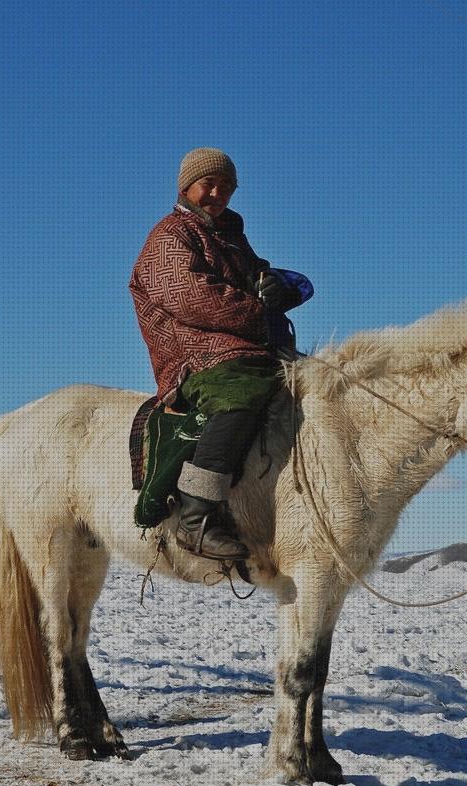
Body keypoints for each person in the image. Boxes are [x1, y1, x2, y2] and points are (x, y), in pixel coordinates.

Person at [129, 147, 313, 561]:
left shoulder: (229, 238)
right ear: (186, 186)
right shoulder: (168, 237)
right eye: (208, 183)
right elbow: (195, 299)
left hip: (244, 346)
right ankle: (196, 518)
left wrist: (285, 285)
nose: (217, 192)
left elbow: (265, 276)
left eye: (226, 185)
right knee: (240, 394)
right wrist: (262, 311)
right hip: (196, 353)